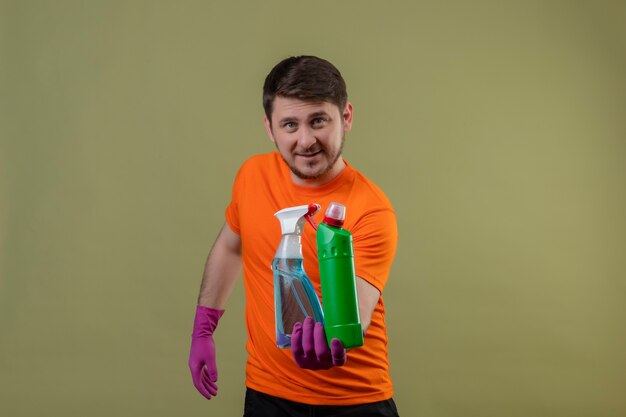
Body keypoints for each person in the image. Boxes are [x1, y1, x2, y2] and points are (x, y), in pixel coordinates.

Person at [189, 55, 400, 417]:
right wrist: (203, 327)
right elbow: (230, 245)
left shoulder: (371, 209)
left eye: (318, 121)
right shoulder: (252, 176)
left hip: (355, 401)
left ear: (345, 117)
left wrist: (334, 341)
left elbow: (358, 312)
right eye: (289, 124)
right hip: (267, 396)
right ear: (270, 128)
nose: (306, 141)